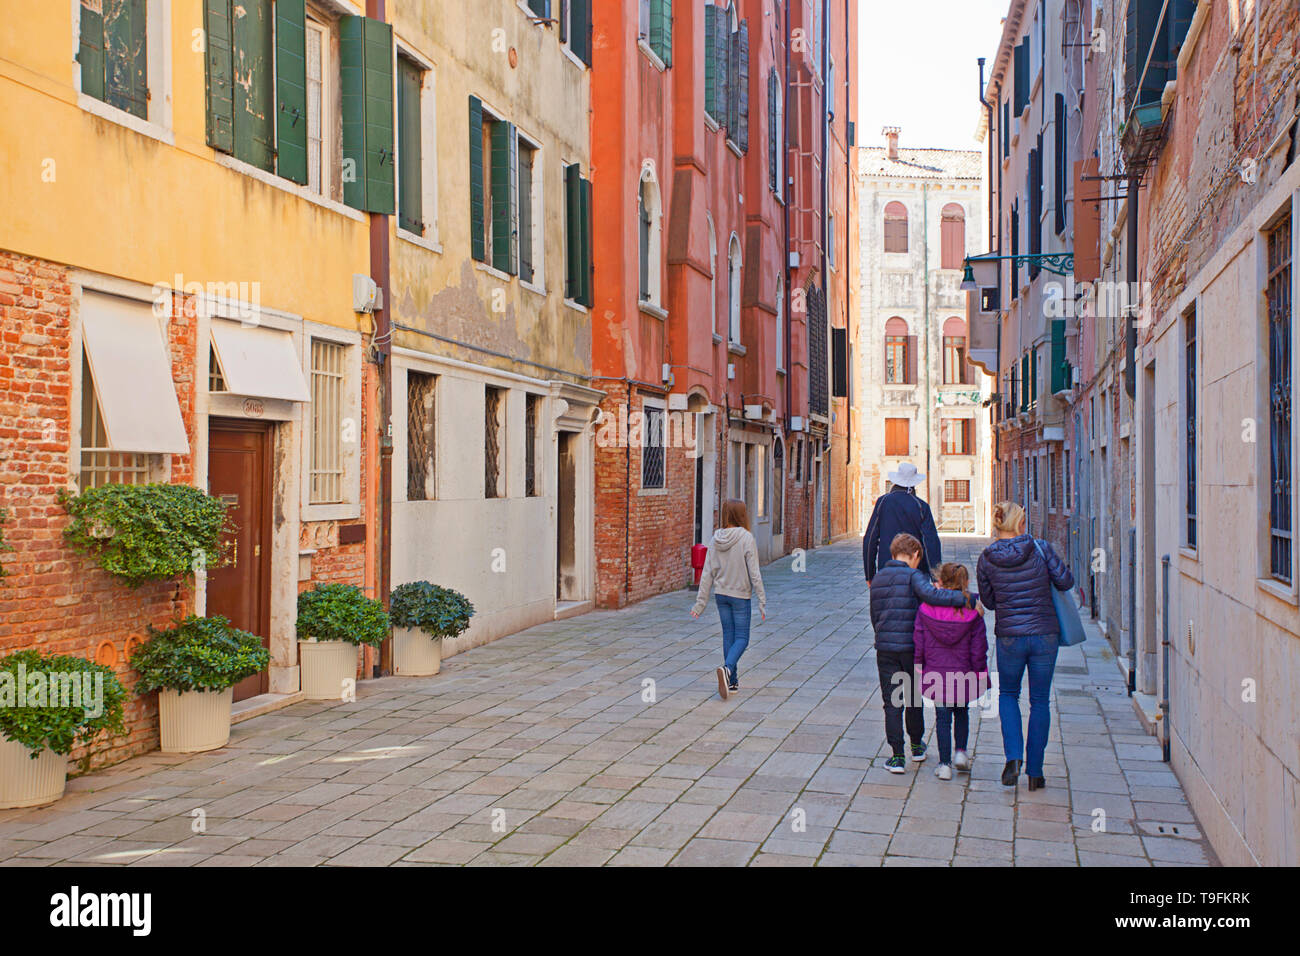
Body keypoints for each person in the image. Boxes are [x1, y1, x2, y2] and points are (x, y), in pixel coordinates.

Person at [975, 501, 1075, 791]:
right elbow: (1066, 581)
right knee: (1040, 701)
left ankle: (1014, 758)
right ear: (1020, 523)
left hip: (1010, 637)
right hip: (1045, 635)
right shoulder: (1041, 548)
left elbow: (990, 602)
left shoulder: (986, 558)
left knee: (1007, 695)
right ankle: (1035, 771)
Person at [869, 533, 977, 773]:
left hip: (885, 648)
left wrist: (882, 634)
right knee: (912, 698)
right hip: (910, 647)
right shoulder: (913, 576)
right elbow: (933, 596)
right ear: (915, 555)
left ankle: (897, 756)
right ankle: (917, 746)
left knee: (892, 702)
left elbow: (874, 614)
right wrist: (966, 598)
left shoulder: (878, 578)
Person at [914, 562, 989, 781]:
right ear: (966, 582)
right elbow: (979, 646)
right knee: (962, 712)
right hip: (963, 672)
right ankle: (960, 752)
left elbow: (919, 639)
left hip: (937, 673)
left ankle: (944, 764)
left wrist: (918, 664)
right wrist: (980, 671)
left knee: (942, 717)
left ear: (941, 580)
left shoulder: (926, 608)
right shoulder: (972, 609)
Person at [691, 499, 766, 701]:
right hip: (740, 595)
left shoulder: (716, 539)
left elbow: (707, 572)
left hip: (721, 595)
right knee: (742, 638)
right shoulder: (746, 538)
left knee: (728, 636)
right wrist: (762, 600)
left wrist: (700, 603)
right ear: (742, 515)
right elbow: (754, 572)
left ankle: (732, 681)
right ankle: (727, 670)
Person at [863, 462, 942, 585]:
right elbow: (931, 542)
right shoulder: (921, 506)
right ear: (914, 483)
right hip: (916, 571)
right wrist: (936, 577)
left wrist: (869, 574)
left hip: (886, 570)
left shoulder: (882, 502)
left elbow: (870, 539)